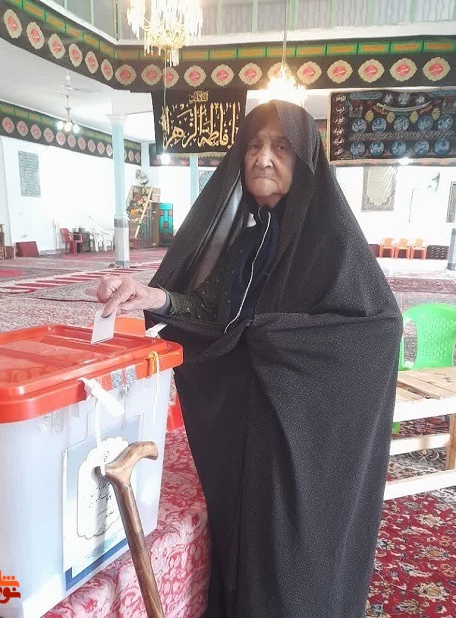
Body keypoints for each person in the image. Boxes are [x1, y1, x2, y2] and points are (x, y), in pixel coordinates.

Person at [97, 100, 402, 617]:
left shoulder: (331, 241)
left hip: (297, 436)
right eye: (254, 145)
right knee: (244, 538)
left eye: (280, 147)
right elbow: (216, 311)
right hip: (247, 424)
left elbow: (378, 328)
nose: (263, 158)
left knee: (286, 553)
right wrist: (156, 298)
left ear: (303, 160)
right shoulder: (249, 237)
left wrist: (278, 344)